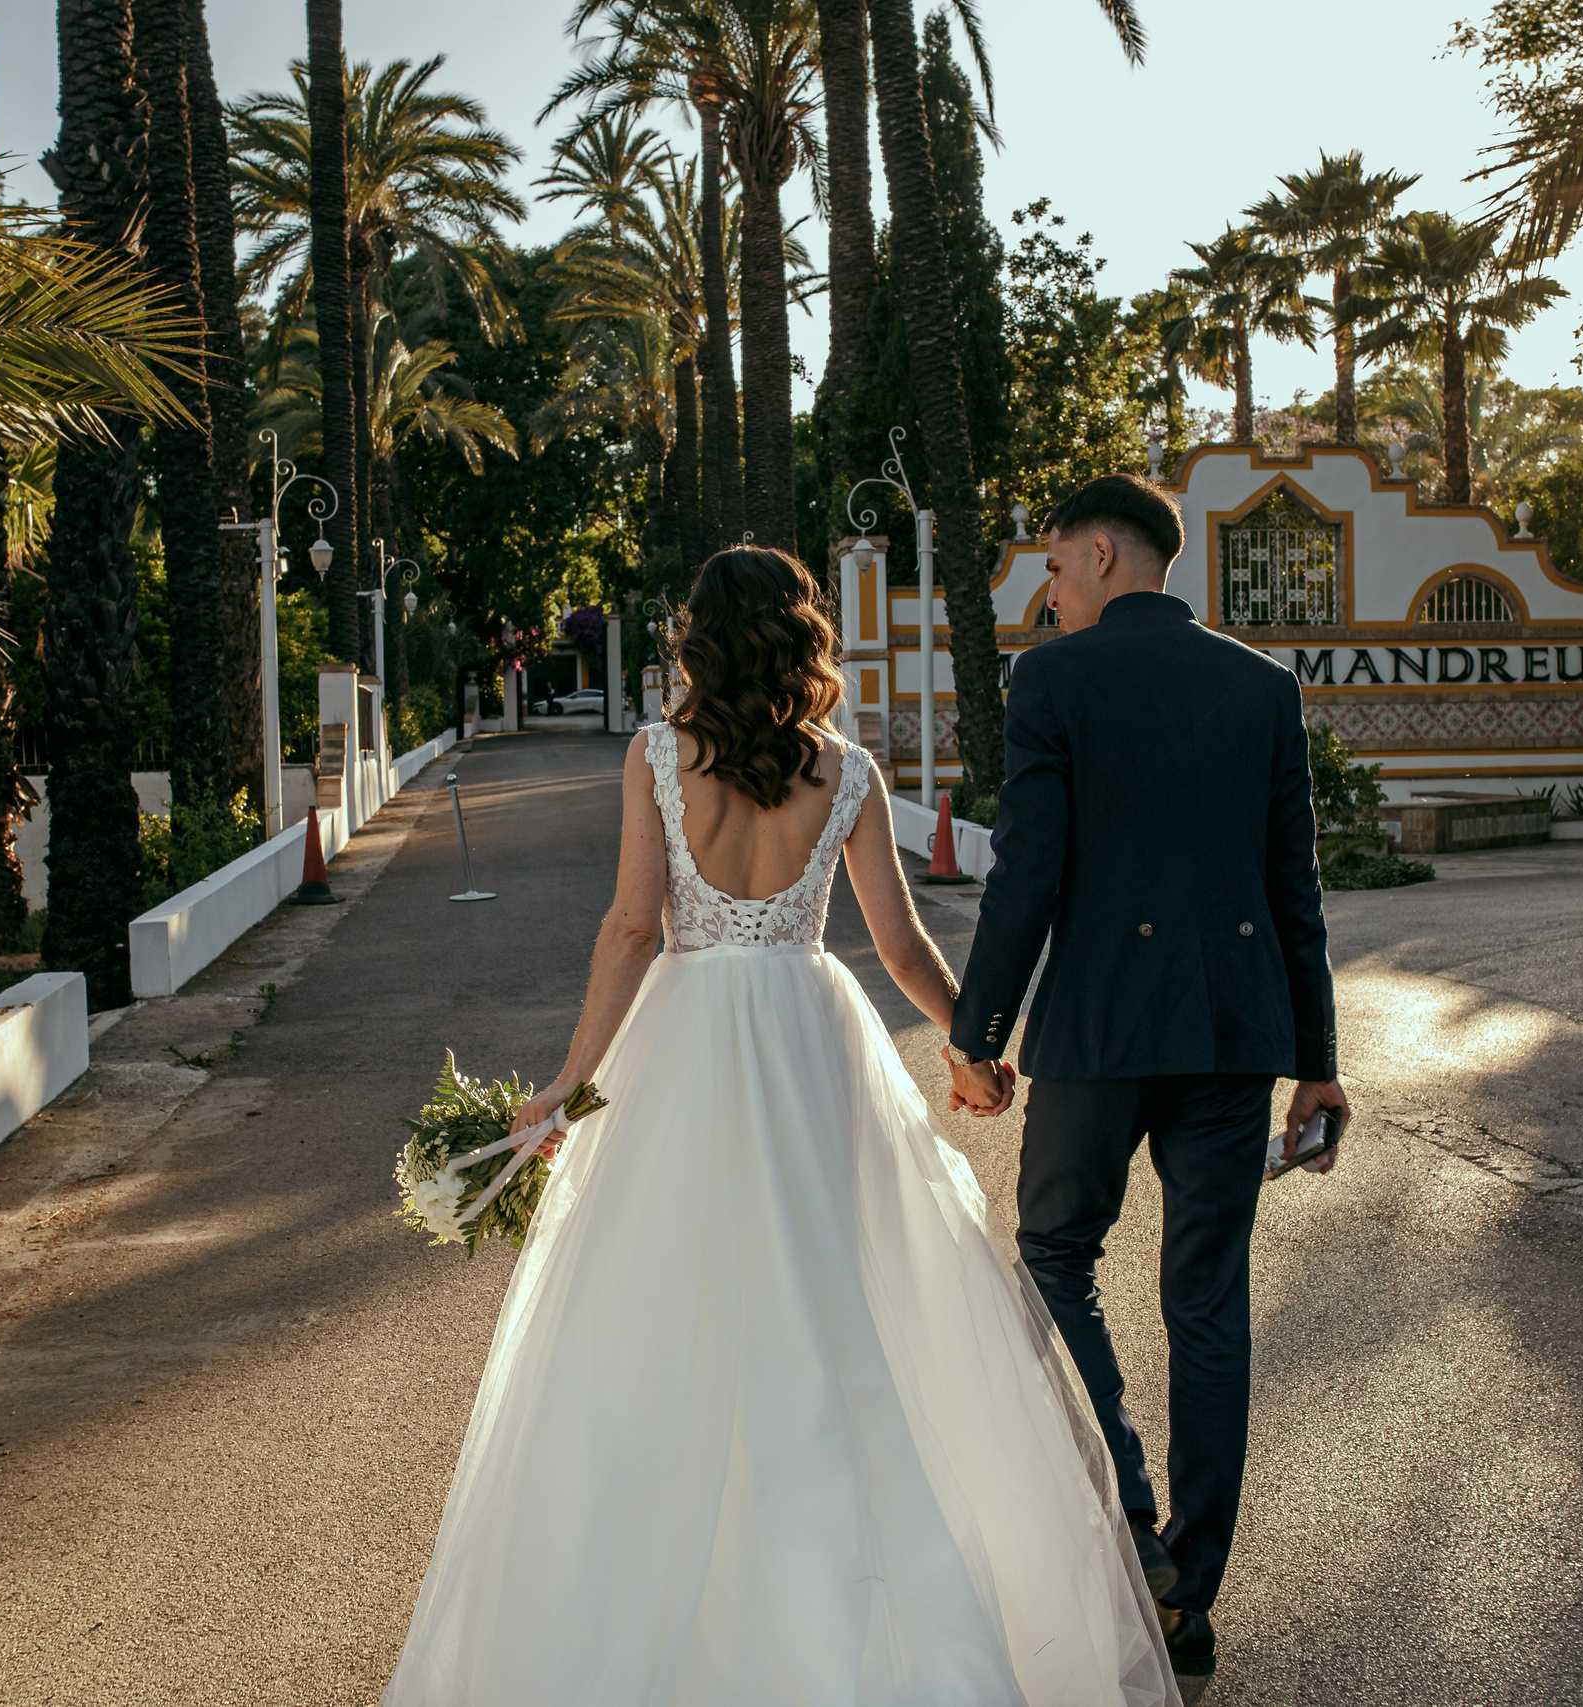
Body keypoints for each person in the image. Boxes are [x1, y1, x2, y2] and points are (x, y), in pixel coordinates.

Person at [381, 547, 1178, 1707]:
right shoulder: (844, 771)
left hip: (688, 1040)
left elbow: (629, 930)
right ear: (802, 634)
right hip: (811, 1034)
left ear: (699, 635)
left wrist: (566, 1082)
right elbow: (899, 947)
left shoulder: (657, 756)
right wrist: (972, 1045)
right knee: (826, 1301)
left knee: (666, 1313)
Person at [949, 472, 1346, 1675]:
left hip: (1101, 1031)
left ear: (1107, 557)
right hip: (1232, 1036)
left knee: (1055, 1254)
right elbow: (1295, 891)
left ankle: (1130, 1517)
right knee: (1207, 1304)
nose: (1047, 591)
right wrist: (1316, 1065)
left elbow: (1028, 873)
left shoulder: (1053, 681)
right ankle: (1192, 1586)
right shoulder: (1261, 686)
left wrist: (981, 1033)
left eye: (1054, 566)